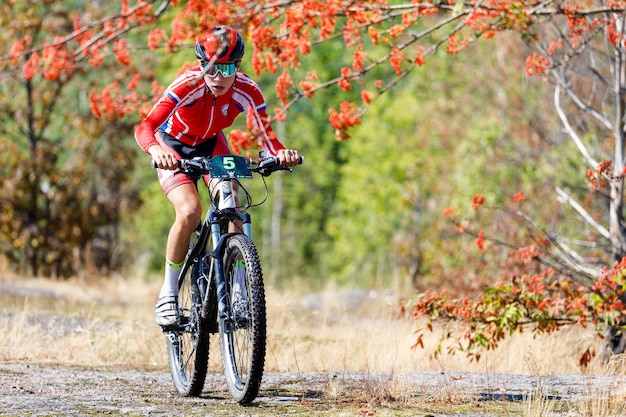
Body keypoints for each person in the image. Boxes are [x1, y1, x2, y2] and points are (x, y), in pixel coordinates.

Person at [135, 26, 301, 327]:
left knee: (232, 202)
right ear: (202, 65)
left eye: (226, 68)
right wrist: (156, 151)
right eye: (210, 67)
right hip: (173, 147)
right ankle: (168, 294)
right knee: (190, 211)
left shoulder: (248, 90)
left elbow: (268, 138)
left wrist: (280, 154)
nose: (218, 76)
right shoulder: (187, 85)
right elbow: (145, 127)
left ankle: (238, 290)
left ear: (237, 65)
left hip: (212, 144)